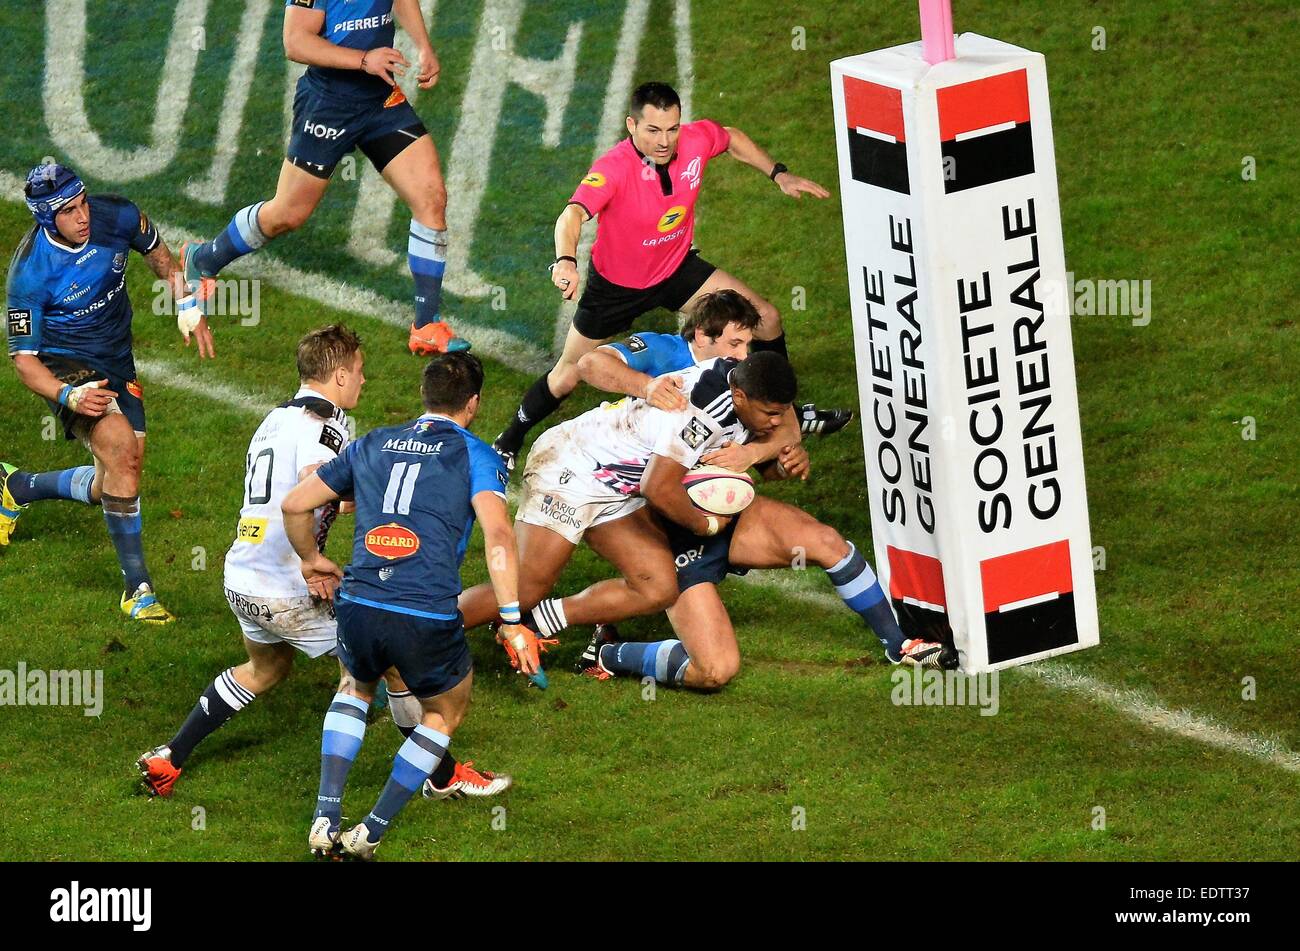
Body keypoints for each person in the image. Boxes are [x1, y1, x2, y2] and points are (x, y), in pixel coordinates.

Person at [491, 81, 851, 470]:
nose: (665, 141)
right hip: (616, 287)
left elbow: (730, 137)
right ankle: (508, 440)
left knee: (766, 318)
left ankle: (790, 412)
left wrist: (778, 174)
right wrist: (565, 261)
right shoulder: (613, 168)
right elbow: (572, 215)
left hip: (676, 268)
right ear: (631, 125)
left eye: (672, 128)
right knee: (569, 374)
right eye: (653, 130)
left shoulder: (694, 141)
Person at [282, 352, 538, 860]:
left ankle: (325, 815)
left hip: (358, 601)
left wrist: (312, 559)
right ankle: (370, 831)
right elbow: (500, 537)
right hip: (424, 611)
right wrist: (511, 621)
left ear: (424, 395)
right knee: (444, 709)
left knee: (355, 686)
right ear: (474, 403)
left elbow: (295, 503)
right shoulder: (477, 455)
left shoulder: (371, 441)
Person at [179, 0, 468, 355]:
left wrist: (424, 46)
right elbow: (296, 42)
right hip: (329, 105)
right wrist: (364, 60)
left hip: (380, 99)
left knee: (431, 197)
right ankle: (204, 258)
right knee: (288, 213)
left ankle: (425, 325)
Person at [459, 352, 807, 647]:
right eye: (770, 414)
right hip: (574, 467)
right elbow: (659, 488)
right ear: (741, 396)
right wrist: (706, 524)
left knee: (657, 587)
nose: (777, 421)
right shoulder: (698, 415)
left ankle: (536, 624)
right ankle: (424, 631)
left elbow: (784, 429)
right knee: (526, 586)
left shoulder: (743, 381)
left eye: (781, 412)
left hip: (619, 484)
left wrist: (773, 456)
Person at [2, 163, 213, 623]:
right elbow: (24, 361)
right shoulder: (30, 276)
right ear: (45, 218)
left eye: (83, 204)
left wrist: (186, 302)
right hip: (64, 364)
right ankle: (137, 590)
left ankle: (17, 486)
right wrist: (67, 396)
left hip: (117, 357)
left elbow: (156, 251)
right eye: (69, 211)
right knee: (118, 449)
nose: (83, 217)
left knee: (119, 478)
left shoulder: (115, 215)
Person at [579, 491, 956, 689]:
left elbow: (779, 442)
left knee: (826, 542)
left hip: (728, 517)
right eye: (736, 341)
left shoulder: (735, 379)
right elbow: (656, 484)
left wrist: (772, 451)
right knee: (714, 670)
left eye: (746, 342)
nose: (742, 351)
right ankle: (609, 654)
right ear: (699, 338)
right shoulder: (669, 383)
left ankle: (898, 644)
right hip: (674, 542)